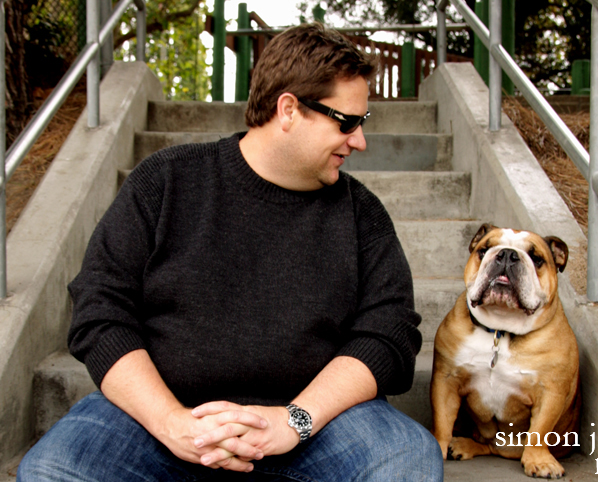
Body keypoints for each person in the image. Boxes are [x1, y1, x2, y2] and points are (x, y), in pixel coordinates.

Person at [17, 22, 443, 482]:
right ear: (288, 110)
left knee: (409, 462)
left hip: (315, 430)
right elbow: (100, 310)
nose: (359, 140)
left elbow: (389, 335)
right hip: (159, 422)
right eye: (347, 122)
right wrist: (170, 422)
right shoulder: (165, 182)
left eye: (363, 123)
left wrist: (293, 422)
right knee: (52, 470)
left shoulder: (362, 214)